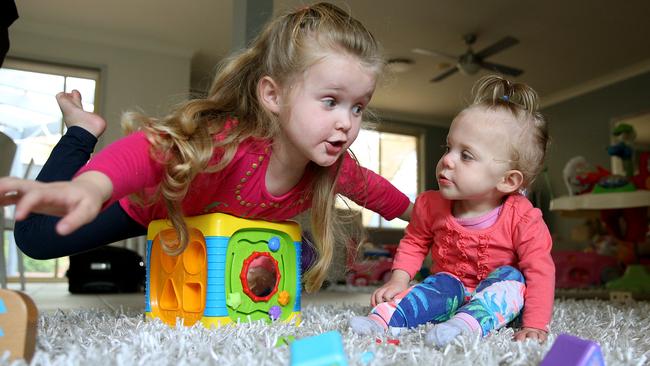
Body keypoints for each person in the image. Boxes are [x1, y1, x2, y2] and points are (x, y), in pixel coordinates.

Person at [0, 2, 412, 293]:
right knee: (35, 240)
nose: (347, 121)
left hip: (212, 234)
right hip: (152, 206)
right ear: (273, 94)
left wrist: (432, 215)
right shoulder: (230, 141)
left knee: (297, 254)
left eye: (358, 107)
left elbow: (382, 194)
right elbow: (152, 150)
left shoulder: (333, 167)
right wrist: (90, 187)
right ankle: (81, 131)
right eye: (330, 101)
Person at [349, 75, 554, 347]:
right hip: (450, 287)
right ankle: (384, 320)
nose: (447, 159)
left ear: (507, 181)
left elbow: (540, 270)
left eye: (466, 155)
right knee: (431, 286)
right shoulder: (430, 205)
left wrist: (535, 325)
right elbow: (414, 242)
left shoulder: (523, 217)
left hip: (497, 294)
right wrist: (399, 279)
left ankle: (465, 325)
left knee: (513, 280)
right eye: (449, 147)